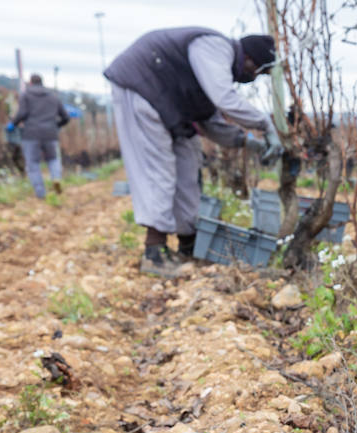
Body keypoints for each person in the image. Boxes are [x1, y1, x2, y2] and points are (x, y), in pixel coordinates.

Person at [104, 28, 283, 277]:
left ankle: (188, 245)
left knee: (188, 166)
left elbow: (213, 124)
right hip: (142, 88)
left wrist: (249, 142)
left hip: (171, 106)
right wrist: (265, 124)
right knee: (161, 171)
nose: (255, 76)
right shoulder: (214, 47)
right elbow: (223, 98)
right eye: (258, 71)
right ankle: (154, 253)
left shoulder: (213, 73)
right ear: (250, 59)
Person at [10, 74, 70, 199]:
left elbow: (22, 113)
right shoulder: (53, 96)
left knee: (33, 163)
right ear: (42, 83)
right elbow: (66, 117)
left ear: (30, 83)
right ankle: (56, 179)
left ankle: (40, 192)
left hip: (31, 133)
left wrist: (13, 123)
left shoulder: (25, 95)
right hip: (50, 133)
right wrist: (56, 126)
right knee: (53, 159)